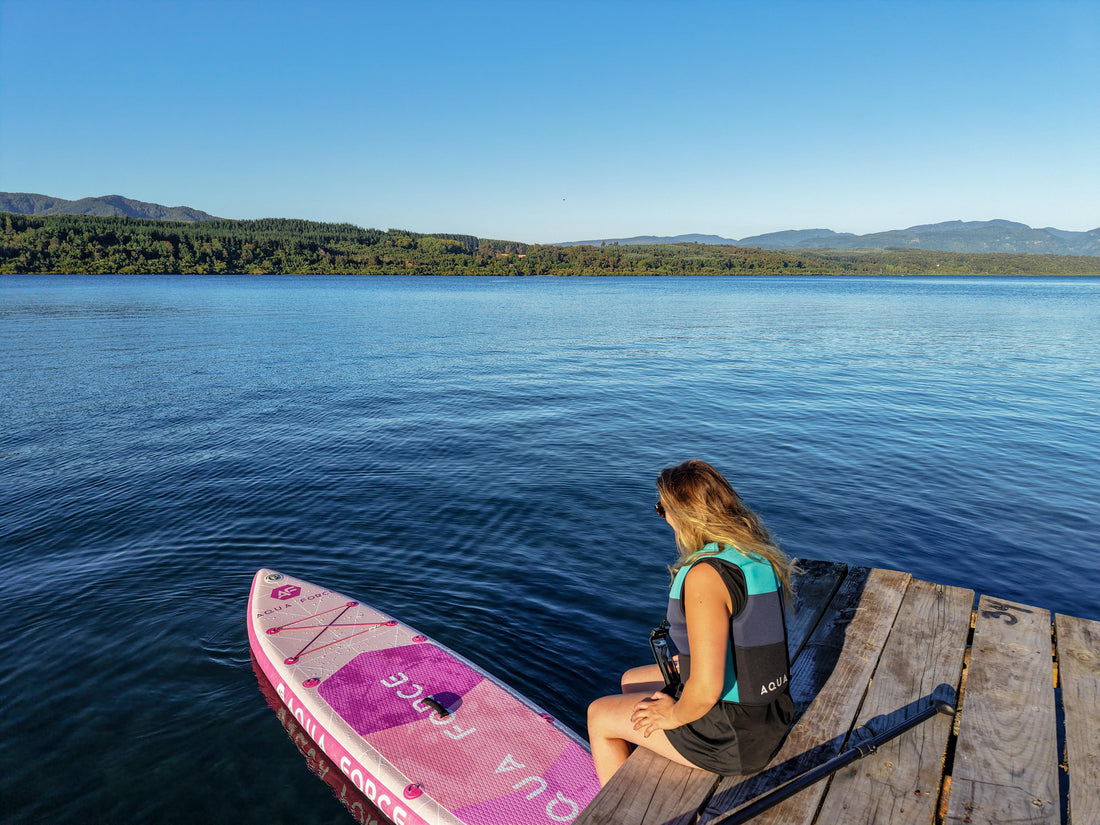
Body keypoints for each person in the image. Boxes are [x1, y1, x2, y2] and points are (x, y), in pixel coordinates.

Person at [587, 460, 798, 786]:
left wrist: (672, 715)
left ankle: (619, 807)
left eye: (661, 508)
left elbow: (706, 689)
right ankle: (650, 756)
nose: (662, 515)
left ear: (682, 515)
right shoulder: (754, 554)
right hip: (772, 714)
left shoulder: (704, 576)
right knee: (631, 681)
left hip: (735, 738)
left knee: (599, 715)